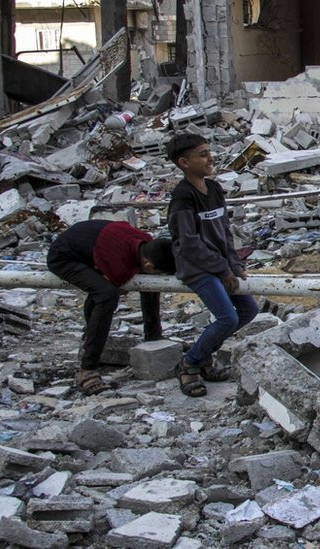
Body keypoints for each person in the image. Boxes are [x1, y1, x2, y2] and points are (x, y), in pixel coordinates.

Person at [166, 133, 258, 397]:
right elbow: (189, 243)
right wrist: (222, 269)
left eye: (209, 152)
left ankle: (202, 354)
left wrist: (234, 264)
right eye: (203, 154)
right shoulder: (183, 197)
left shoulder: (215, 189)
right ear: (184, 162)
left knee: (248, 310)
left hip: (221, 266)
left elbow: (224, 232)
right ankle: (190, 364)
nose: (210, 158)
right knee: (227, 317)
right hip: (198, 269)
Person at [47, 220, 176, 395]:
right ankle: (88, 368)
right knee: (106, 294)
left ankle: (153, 336)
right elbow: (110, 284)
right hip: (64, 256)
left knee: (150, 283)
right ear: (148, 263)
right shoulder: (119, 266)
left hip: (90, 242)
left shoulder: (144, 241)